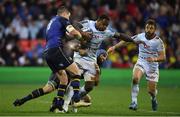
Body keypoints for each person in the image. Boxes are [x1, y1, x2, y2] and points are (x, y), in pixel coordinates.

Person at [71, 14, 138, 104]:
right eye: (103, 24)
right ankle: (68, 97)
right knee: (76, 76)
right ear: (98, 21)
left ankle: (75, 98)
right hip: (80, 55)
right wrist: (82, 32)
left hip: (91, 59)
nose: (104, 27)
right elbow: (74, 24)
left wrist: (133, 41)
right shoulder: (88, 23)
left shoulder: (107, 31)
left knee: (90, 86)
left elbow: (120, 35)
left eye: (106, 25)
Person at [107, 19, 166, 111]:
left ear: (155, 30)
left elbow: (163, 57)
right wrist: (114, 47)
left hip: (153, 66)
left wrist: (154, 59)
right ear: (145, 28)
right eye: (147, 27)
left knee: (151, 91)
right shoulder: (140, 36)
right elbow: (127, 41)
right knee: (135, 79)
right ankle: (134, 102)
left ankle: (153, 99)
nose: (148, 30)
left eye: (151, 28)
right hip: (141, 62)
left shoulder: (158, 42)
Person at [42, 6, 84, 113]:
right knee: (76, 72)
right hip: (56, 49)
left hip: (47, 52)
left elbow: (67, 36)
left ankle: (58, 105)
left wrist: (76, 35)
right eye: (68, 16)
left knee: (64, 79)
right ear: (65, 13)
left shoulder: (53, 21)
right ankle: (76, 98)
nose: (68, 18)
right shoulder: (63, 19)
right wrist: (80, 36)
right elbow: (74, 33)